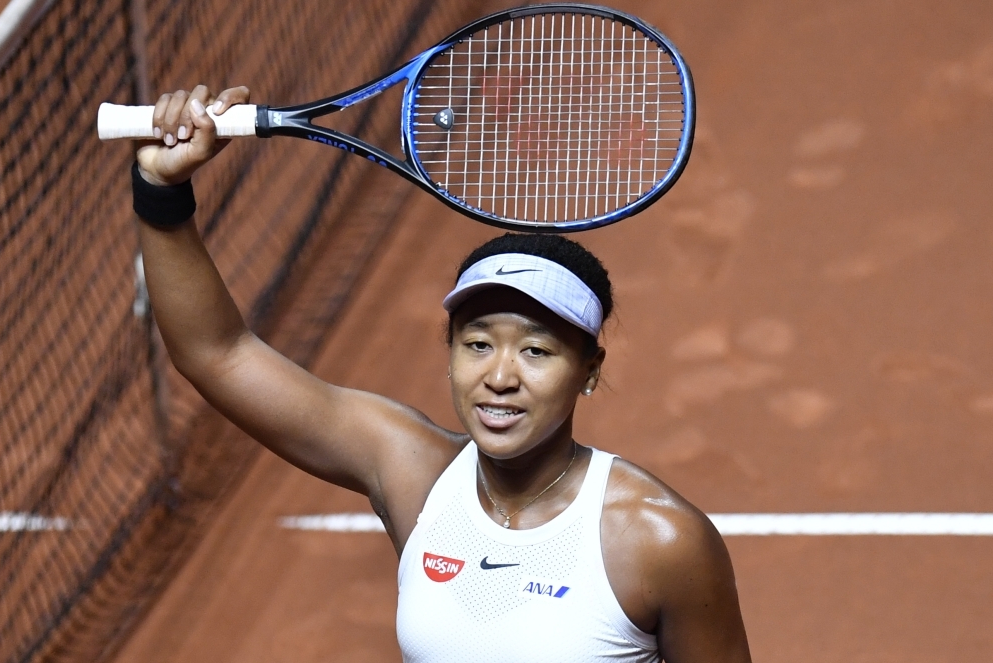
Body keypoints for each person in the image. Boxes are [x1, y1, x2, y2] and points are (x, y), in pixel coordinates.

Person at [134, 85, 752, 663]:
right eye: (477, 344)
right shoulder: (413, 473)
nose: (500, 377)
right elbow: (218, 354)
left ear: (589, 372)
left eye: (537, 351)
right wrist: (162, 190)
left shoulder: (658, 540)